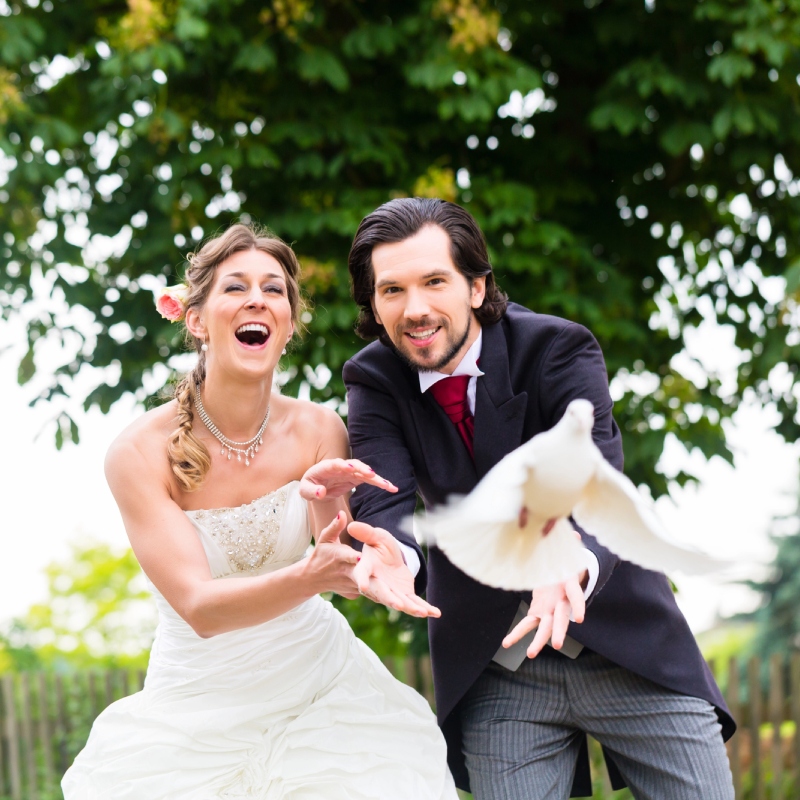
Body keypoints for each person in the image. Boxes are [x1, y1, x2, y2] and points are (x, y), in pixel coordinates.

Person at [343, 197, 736, 799]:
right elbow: (383, 500)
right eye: (391, 290)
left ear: (476, 286)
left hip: (625, 643)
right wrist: (396, 553)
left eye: (434, 282)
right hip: (499, 665)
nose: (414, 309)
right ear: (373, 301)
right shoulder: (372, 378)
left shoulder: (557, 348)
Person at [62, 223, 458, 800]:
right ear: (196, 319)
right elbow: (199, 607)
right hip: (197, 703)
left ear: (289, 323)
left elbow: (340, 563)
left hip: (321, 688)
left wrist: (341, 523)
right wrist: (310, 575)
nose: (258, 300)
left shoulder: (321, 428)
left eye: (274, 290)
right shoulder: (138, 453)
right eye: (235, 288)